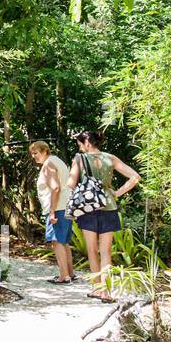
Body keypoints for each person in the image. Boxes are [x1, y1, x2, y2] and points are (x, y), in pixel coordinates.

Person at [66, 130, 140, 303]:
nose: (80, 148)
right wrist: (118, 192)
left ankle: (97, 288)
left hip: (88, 208)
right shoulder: (111, 158)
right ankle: (106, 292)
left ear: (87, 143)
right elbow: (135, 176)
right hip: (109, 206)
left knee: (92, 250)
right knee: (106, 251)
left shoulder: (79, 159)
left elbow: (70, 183)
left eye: (80, 144)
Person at [29, 141, 73, 284]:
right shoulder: (57, 160)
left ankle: (64, 276)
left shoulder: (48, 165)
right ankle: (70, 273)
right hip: (66, 205)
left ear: (44, 151)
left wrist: (52, 211)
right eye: (32, 154)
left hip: (57, 207)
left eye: (35, 153)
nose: (33, 156)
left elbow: (55, 188)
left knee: (56, 241)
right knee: (64, 241)